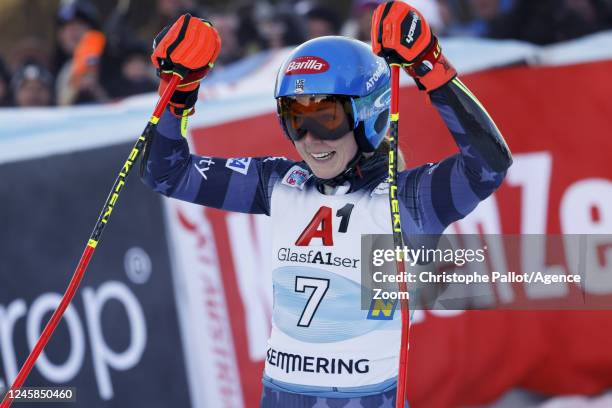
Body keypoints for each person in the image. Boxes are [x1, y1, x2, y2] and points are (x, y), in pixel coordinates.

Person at [141, 2, 512, 407]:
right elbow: (166, 173)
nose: (310, 139)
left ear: (369, 116)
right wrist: (178, 93)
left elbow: (488, 165)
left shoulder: (407, 200)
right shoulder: (280, 183)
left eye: (326, 119)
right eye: (295, 119)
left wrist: (429, 64)